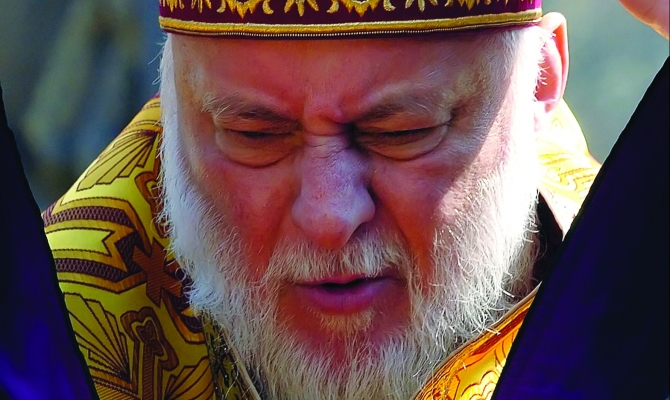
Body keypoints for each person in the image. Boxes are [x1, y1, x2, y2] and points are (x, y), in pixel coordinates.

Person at [39, 1, 667, 399]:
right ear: (172, 112)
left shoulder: (645, 311)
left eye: (402, 132)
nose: (329, 216)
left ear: (540, 84)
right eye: (254, 135)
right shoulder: (44, 340)